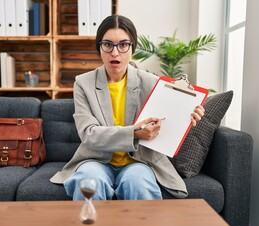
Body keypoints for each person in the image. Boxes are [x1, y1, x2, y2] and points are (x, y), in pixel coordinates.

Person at [50, 15, 205, 200]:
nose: (115, 53)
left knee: (138, 182)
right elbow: (89, 134)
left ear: (133, 48)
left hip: (139, 161)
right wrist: (134, 133)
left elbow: (166, 127)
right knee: (89, 180)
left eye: (123, 45)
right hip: (95, 160)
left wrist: (187, 117)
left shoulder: (153, 83)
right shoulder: (83, 83)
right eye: (108, 44)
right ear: (99, 47)